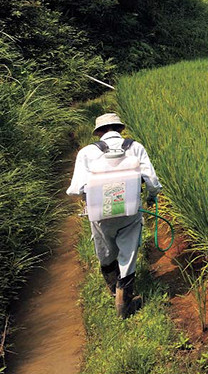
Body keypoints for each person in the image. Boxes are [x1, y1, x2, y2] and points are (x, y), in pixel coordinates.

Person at [67, 113, 162, 318]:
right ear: (119, 129)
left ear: (99, 132)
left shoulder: (86, 153)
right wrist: (151, 197)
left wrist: (89, 197)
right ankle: (124, 304)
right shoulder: (135, 147)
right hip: (130, 211)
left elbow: (75, 190)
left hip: (99, 214)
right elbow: (152, 181)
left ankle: (113, 290)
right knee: (128, 253)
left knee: (106, 252)